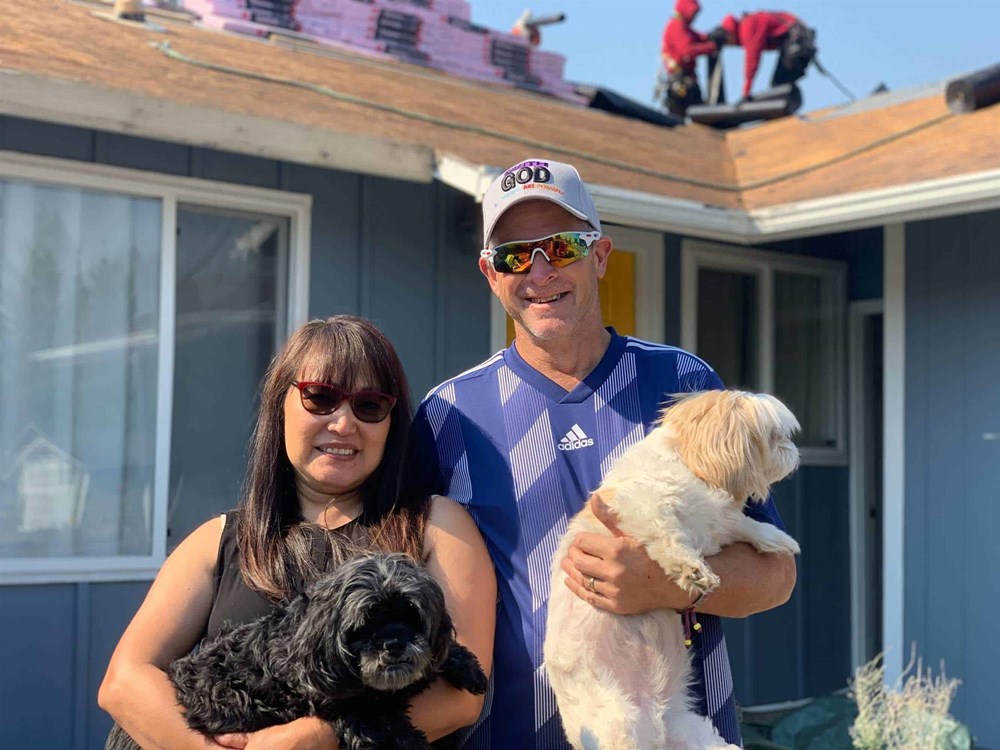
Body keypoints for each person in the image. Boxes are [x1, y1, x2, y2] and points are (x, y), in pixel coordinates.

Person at [406, 159, 797, 748]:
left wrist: (671, 586)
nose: (540, 270)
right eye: (515, 255)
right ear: (490, 274)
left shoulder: (686, 387)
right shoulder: (448, 415)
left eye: (561, 246)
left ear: (601, 255)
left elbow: (776, 576)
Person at [99, 315, 496, 750]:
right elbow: (123, 682)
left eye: (369, 405)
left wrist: (315, 738)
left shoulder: (436, 524)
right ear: (279, 406)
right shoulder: (219, 540)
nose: (344, 424)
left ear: (390, 422)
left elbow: (462, 698)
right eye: (321, 398)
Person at [716, 11, 817, 100]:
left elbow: (752, 57)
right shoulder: (745, 27)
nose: (730, 46)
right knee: (779, 86)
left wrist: (746, 91)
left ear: (729, 34)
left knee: (780, 86)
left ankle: (786, 110)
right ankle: (786, 108)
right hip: (796, 37)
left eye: (726, 43)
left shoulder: (747, 27)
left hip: (798, 38)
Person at [660, 0, 718, 115]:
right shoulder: (677, 26)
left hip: (684, 79)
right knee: (692, 114)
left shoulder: (682, 26)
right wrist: (711, 47)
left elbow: (696, 37)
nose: (694, 17)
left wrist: (709, 37)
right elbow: (687, 50)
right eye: (693, 13)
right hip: (681, 80)